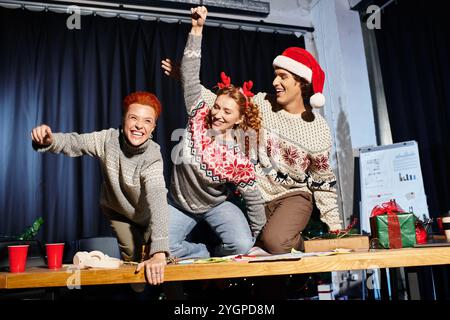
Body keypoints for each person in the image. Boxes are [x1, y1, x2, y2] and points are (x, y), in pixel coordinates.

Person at [162, 6, 343, 254]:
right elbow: (222, 104)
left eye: (281, 77)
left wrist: (334, 225)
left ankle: (297, 245)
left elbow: (323, 180)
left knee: (271, 242)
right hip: (259, 195)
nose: (274, 82)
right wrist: (185, 78)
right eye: (275, 76)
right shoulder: (260, 103)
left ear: (301, 83)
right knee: (257, 249)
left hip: (292, 196)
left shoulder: (317, 130)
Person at [31, 91, 169, 285]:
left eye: (147, 121)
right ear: (124, 119)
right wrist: (50, 140)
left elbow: (157, 198)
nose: (139, 125)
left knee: (165, 252)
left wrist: (160, 251)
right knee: (133, 261)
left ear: (153, 127)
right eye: (133, 118)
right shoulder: (107, 140)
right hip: (119, 212)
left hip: (148, 214)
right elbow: (75, 142)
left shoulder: (153, 156)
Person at [168, 6, 266, 259]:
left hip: (215, 205)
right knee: (164, 249)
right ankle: (202, 252)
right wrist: (197, 29)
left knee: (242, 245)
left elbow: (254, 199)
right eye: (217, 107)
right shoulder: (198, 112)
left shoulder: (238, 157)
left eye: (227, 112)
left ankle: (217, 254)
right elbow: (190, 74)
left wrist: (255, 236)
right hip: (178, 202)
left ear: (239, 119)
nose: (218, 114)